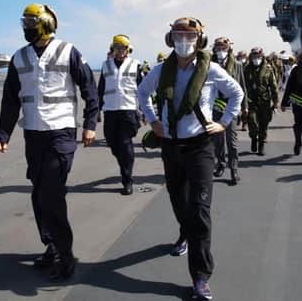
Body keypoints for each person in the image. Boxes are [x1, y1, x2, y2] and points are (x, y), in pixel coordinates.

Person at [137, 17, 243, 300]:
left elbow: (236, 93)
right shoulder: (160, 70)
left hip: (200, 148)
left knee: (199, 211)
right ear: (170, 38)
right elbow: (142, 93)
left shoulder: (212, 70)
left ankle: (200, 277)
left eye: (190, 34)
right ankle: (184, 233)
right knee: (178, 201)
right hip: (171, 147)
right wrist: (152, 121)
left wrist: (224, 122)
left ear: (200, 39)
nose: (184, 39)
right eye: (179, 34)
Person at [0, 3, 98, 280]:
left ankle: (66, 255)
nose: (27, 27)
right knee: (38, 193)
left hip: (61, 133)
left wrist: (90, 124)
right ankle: (51, 245)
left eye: (32, 22)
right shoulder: (19, 57)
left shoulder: (68, 51)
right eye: (24, 22)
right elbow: (10, 98)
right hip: (33, 134)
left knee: (52, 194)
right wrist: (4, 132)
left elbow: (89, 89)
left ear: (46, 23)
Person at [98, 34, 143, 195]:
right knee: (112, 142)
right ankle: (124, 164)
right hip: (110, 110)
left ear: (128, 49)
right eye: (117, 47)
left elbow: (142, 89)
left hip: (128, 110)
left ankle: (127, 180)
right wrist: (97, 110)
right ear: (112, 49)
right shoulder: (106, 65)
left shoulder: (135, 65)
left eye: (122, 48)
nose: (120, 50)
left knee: (125, 143)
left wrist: (144, 111)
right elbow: (101, 89)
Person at [211, 37, 248, 185]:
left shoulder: (237, 65)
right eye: (218, 47)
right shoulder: (209, 64)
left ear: (229, 48)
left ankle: (234, 169)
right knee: (218, 141)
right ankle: (221, 164)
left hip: (230, 107)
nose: (221, 50)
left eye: (223, 47)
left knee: (231, 142)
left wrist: (245, 106)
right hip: (214, 107)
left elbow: (242, 85)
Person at [244, 47, 279, 156]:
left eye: (258, 56)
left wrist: (275, 101)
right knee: (252, 121)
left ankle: (261, 145)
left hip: (264, 101)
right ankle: (254, 138)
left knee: (264, 124)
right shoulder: (246, 69)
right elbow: (241, 85)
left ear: (261, 56)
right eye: (254, 56)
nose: (256, 58)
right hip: (251, 101)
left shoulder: (268, 69)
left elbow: (273, 86)